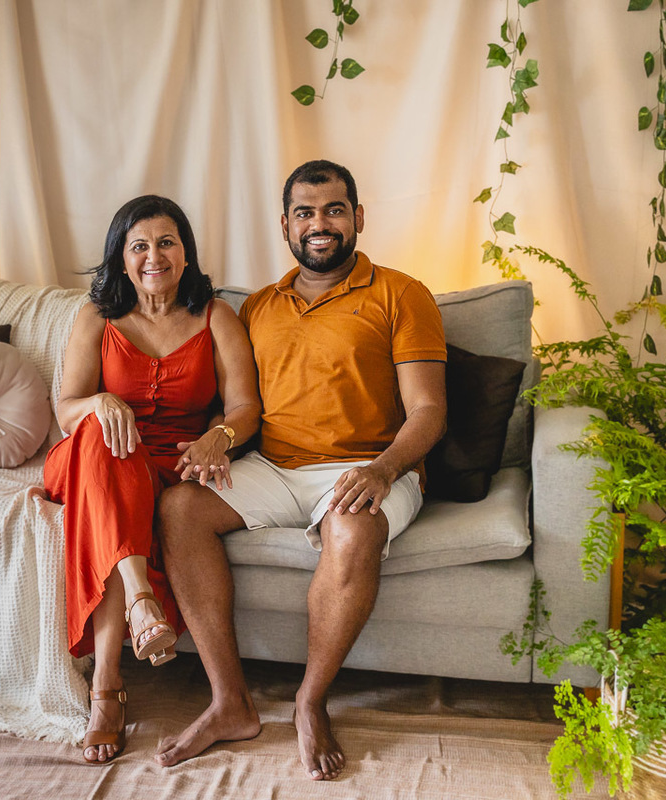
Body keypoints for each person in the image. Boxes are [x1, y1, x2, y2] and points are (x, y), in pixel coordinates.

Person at [153, 160, 447, 780]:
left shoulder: (401, 293)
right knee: (180, 507)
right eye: (305, 213)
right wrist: (216, 439)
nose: (320, 224)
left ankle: (310, 701)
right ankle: (229, 702)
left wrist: (384, 470)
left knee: (352, 525)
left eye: (334, 210)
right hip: (275, 466)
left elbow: (428, 410)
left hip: (370, 464)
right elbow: (243, 408)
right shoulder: (258, 306)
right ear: (285, 225)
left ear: (357, 218)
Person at [45, 195, 261, 765]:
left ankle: (109, 689)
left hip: (173, 463)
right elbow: (66, 411)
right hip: (92, 459)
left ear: (186, 253)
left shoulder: (216, 317)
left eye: (166, 242)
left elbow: (245, 407)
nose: (153, 256)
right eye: (138, 246)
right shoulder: (97, 317)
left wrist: (220, 436)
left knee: (123, 497)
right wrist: (99, 402)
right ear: (121, 258)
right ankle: (138, 608)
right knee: (101, 437)